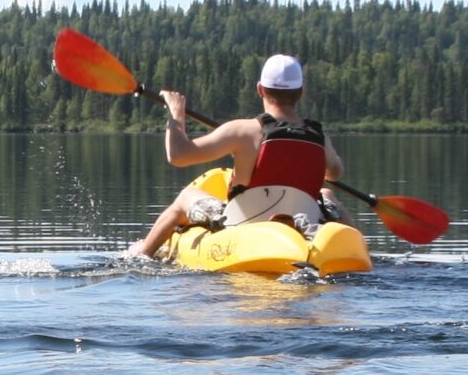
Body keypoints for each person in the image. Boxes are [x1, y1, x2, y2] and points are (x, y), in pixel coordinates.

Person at [126, 53, 345, 258]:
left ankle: (142, 253)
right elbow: (335, 173)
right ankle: (352, 247)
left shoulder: (243, 131)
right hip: (303, 223)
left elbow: (178, 155)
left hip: (242, 224)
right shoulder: (320, 137)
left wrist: (175, 115)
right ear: (301, 92)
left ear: (260, 89)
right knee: (327, 193)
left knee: (187, 196)